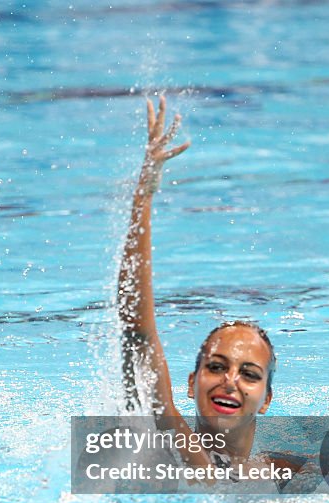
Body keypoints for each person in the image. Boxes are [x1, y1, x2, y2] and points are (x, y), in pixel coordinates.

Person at [117, 96, 292, 479]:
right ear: (192, 382)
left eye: (249, 374)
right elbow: (138, 334)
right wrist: (143, 194)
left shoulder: (286, 471)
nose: (230, 381)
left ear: (266, 400)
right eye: (216, 367)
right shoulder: (179, 454)